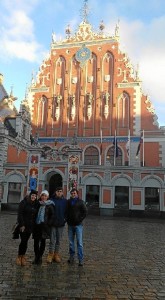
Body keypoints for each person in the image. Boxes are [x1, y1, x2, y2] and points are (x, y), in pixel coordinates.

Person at [16, 190, 39, 266]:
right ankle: (19, 256)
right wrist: (22, 224)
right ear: (30, 195)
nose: (33, 197)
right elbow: (20, 214)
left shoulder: (35, 204)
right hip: (23, 226)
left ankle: (23, 256)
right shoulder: (24, 202)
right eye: (32, 195)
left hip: (30, 226)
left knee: (25, 242)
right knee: (23, 241)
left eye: (35, 196)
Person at [33, 190, 55, 265]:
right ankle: (36, 256)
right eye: (42, 195)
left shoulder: (50, 205)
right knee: (36, 242)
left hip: (45, 226)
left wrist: (48, 223)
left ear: (47, 197)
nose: (44, 197)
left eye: (45, 196)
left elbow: (52, 215)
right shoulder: (37, 203)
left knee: (43, 242)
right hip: (37, 225)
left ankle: (40, 257)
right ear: (40, 196)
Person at [66, 188, 87, 266]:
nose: (73, 194)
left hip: (78, 225)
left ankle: (80, 259)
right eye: (72, 193)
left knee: (79, 243)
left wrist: (79, 219)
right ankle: (71, 257)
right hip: (70, 225)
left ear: (77, 194)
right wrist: (67, 219)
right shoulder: (68, 202)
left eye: (74, 193)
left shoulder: (81, 202)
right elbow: (66, 211)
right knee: (71, 243)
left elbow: (85, 212)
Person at [47, 187, 67, 263]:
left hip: (61, 224)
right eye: (58, 191)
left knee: (58, 240)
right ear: (55, 192)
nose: (59, 192)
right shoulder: (51, 200)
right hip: (53, 223)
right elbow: (47, 211)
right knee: (52, 240)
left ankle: (56, 254)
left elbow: (67, 212)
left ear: (62, 192)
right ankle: (50, 254)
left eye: (60, 191)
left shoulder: (65, 201)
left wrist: (65, 219)